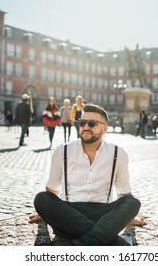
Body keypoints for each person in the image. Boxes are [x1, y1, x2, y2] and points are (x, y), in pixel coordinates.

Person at [32, 103, 141, 245]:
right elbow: (52, 190)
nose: (86, 127)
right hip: (70, 215)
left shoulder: (118, 154)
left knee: (133, 202)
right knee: (42, 198)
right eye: (82, 123)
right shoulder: (62, 151)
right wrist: (45, 211)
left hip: (102, 214)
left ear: (105, 129)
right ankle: (102, 238)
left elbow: (124, 193)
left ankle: (91, 240)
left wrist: (128, 215)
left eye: (92, 123)